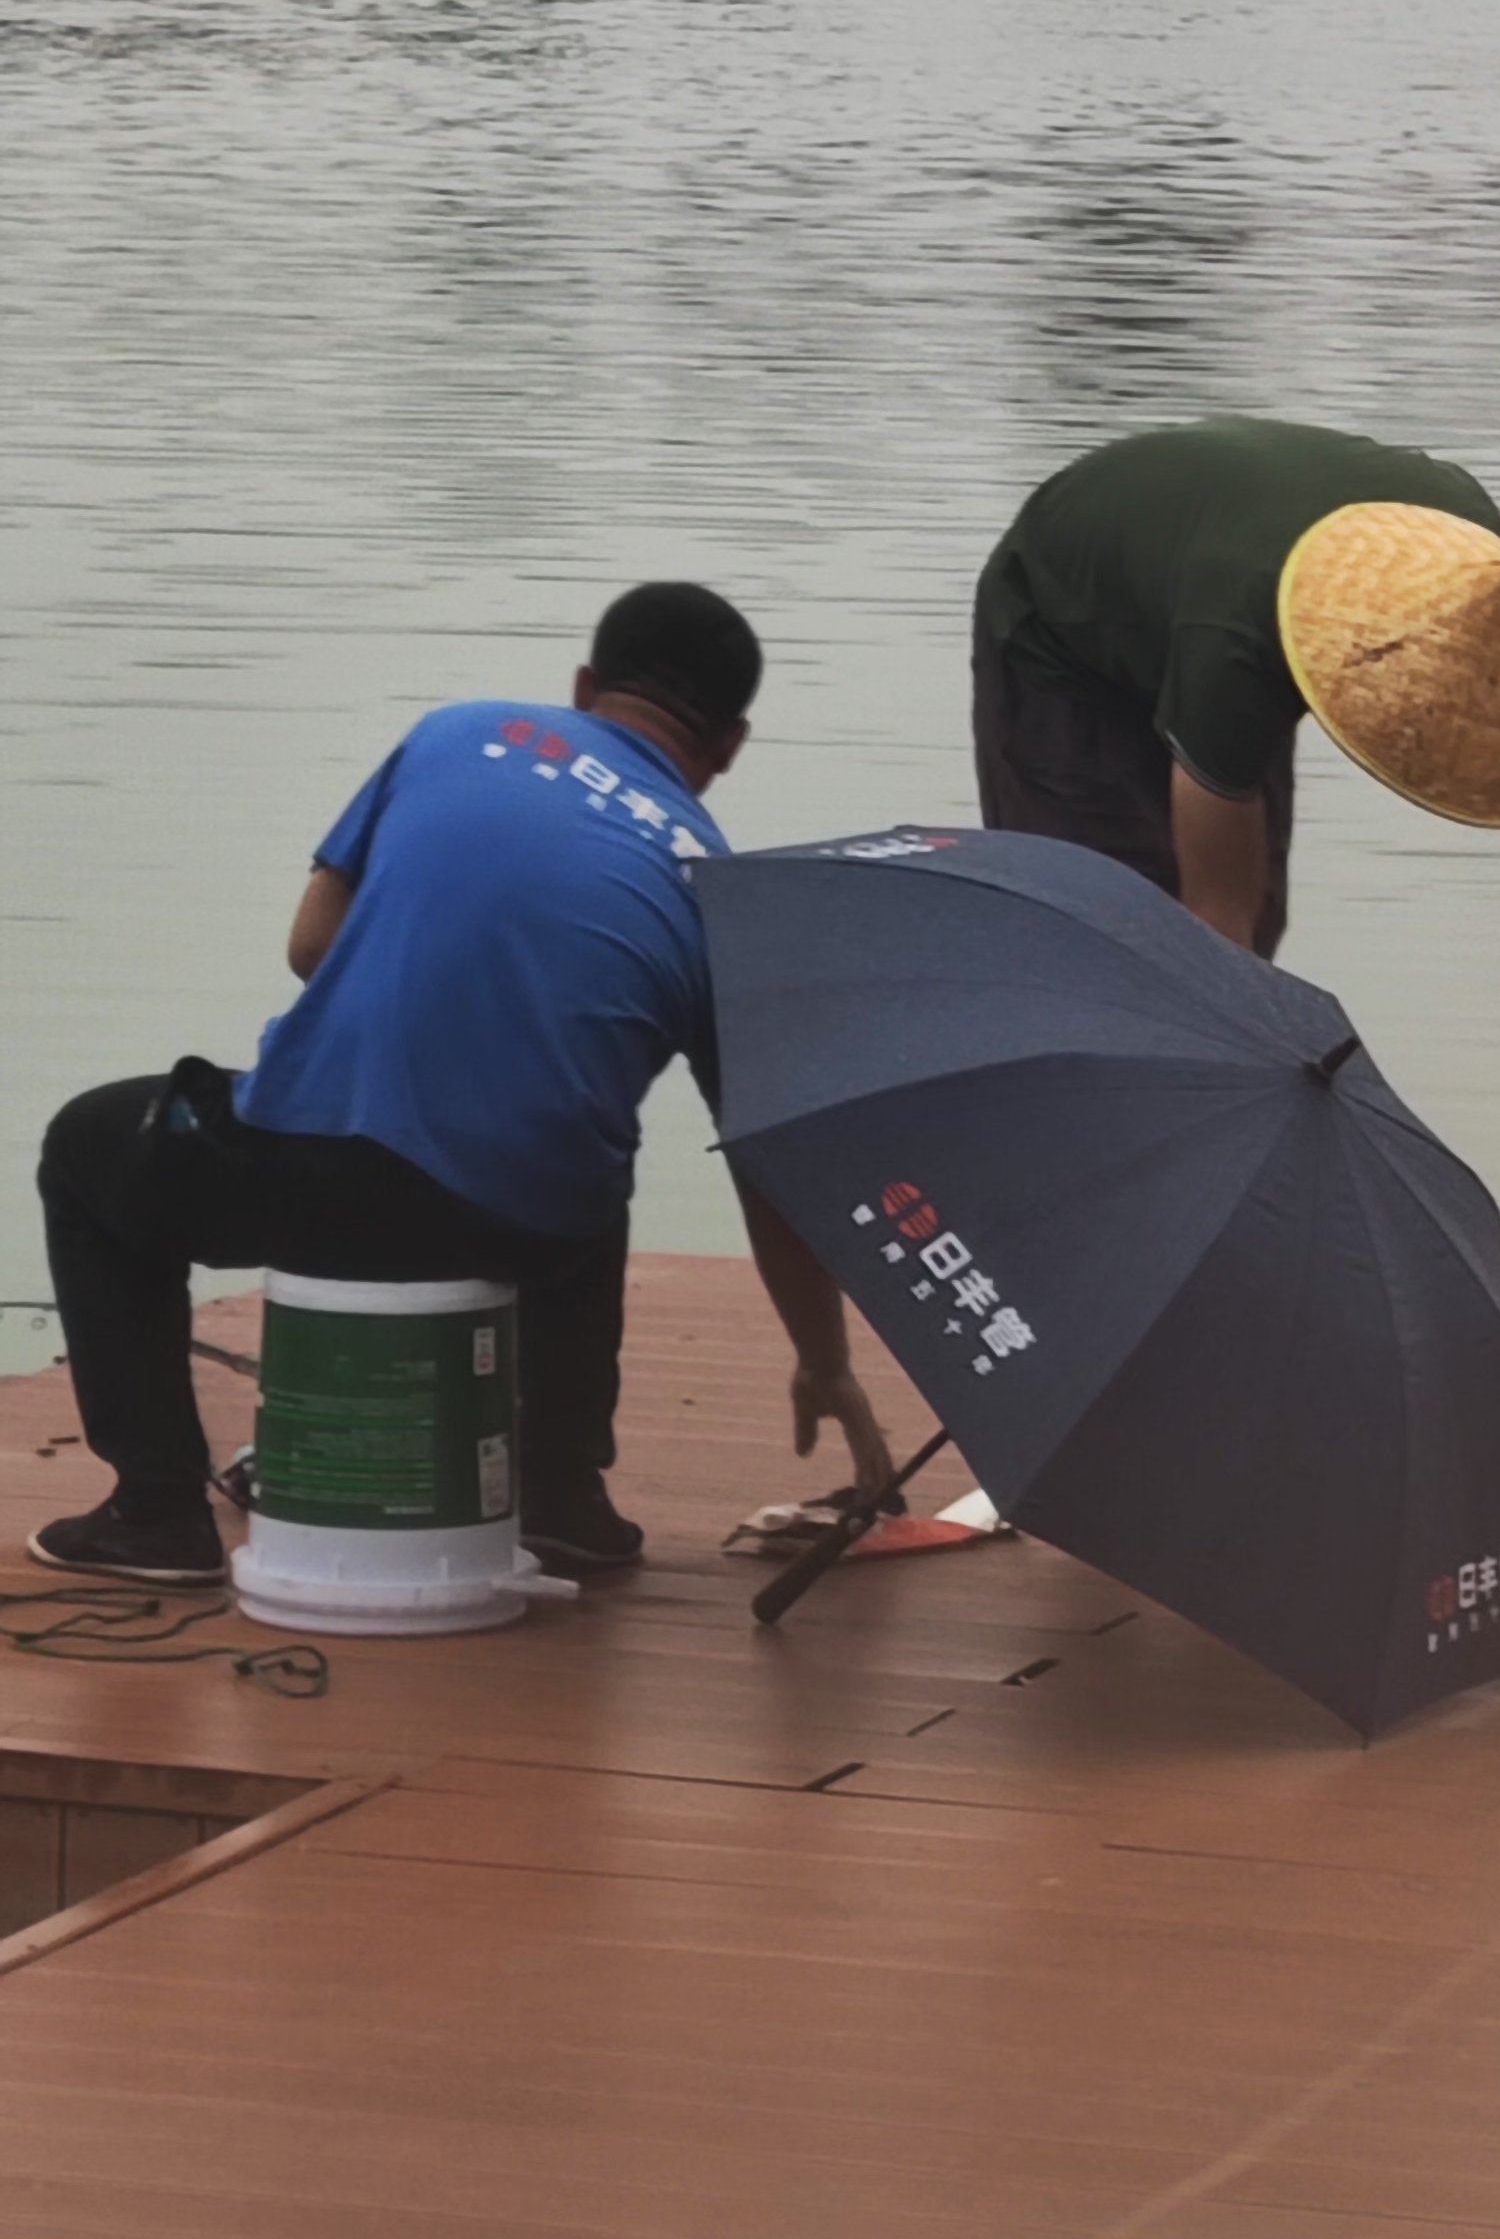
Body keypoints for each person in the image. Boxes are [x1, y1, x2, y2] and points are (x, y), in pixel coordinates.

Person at [32, 581, 893, 1590]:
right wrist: (825, 1362)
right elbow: (767, 1156)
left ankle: (154, 1513)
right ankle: (565, 1497)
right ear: (733, 743)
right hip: (525, 1233)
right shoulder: (719, 888)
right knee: (583, 1135)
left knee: (89, 1151)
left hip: (316, 1184)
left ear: (584, 685)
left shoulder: (460, 734)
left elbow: (312, 948)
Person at [973, 417, 1500, 958]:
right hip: (1060, 626)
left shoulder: (1474, 547)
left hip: (1214, 573)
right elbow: (1215, 915)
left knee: (1258, 914)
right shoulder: (1240, 639)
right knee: (1102, 920)